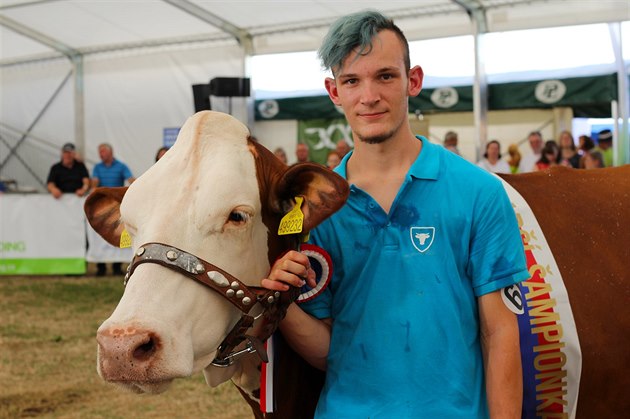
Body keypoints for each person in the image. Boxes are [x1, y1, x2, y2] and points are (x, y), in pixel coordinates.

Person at [262, 10, 528, 418]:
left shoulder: (480, 192)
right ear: (334, 92)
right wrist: (281, 305)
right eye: (352, 81)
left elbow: (500, 334)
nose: (369, 96)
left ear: (413, 80)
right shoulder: (314, 210)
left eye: (385, 76)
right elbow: (330, 351)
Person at [91, 143, 135, 276]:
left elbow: (131, 179)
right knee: (101, 233)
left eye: (103, 152)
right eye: (100, 152)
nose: (100, 154)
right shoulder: (97, 167)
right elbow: (94, 183)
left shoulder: (121, 166)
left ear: (110, 152)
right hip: (102, 206)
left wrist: (138, 187)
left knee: (118, 233)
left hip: (117, 206)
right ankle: (101, 267)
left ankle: (117, 266)